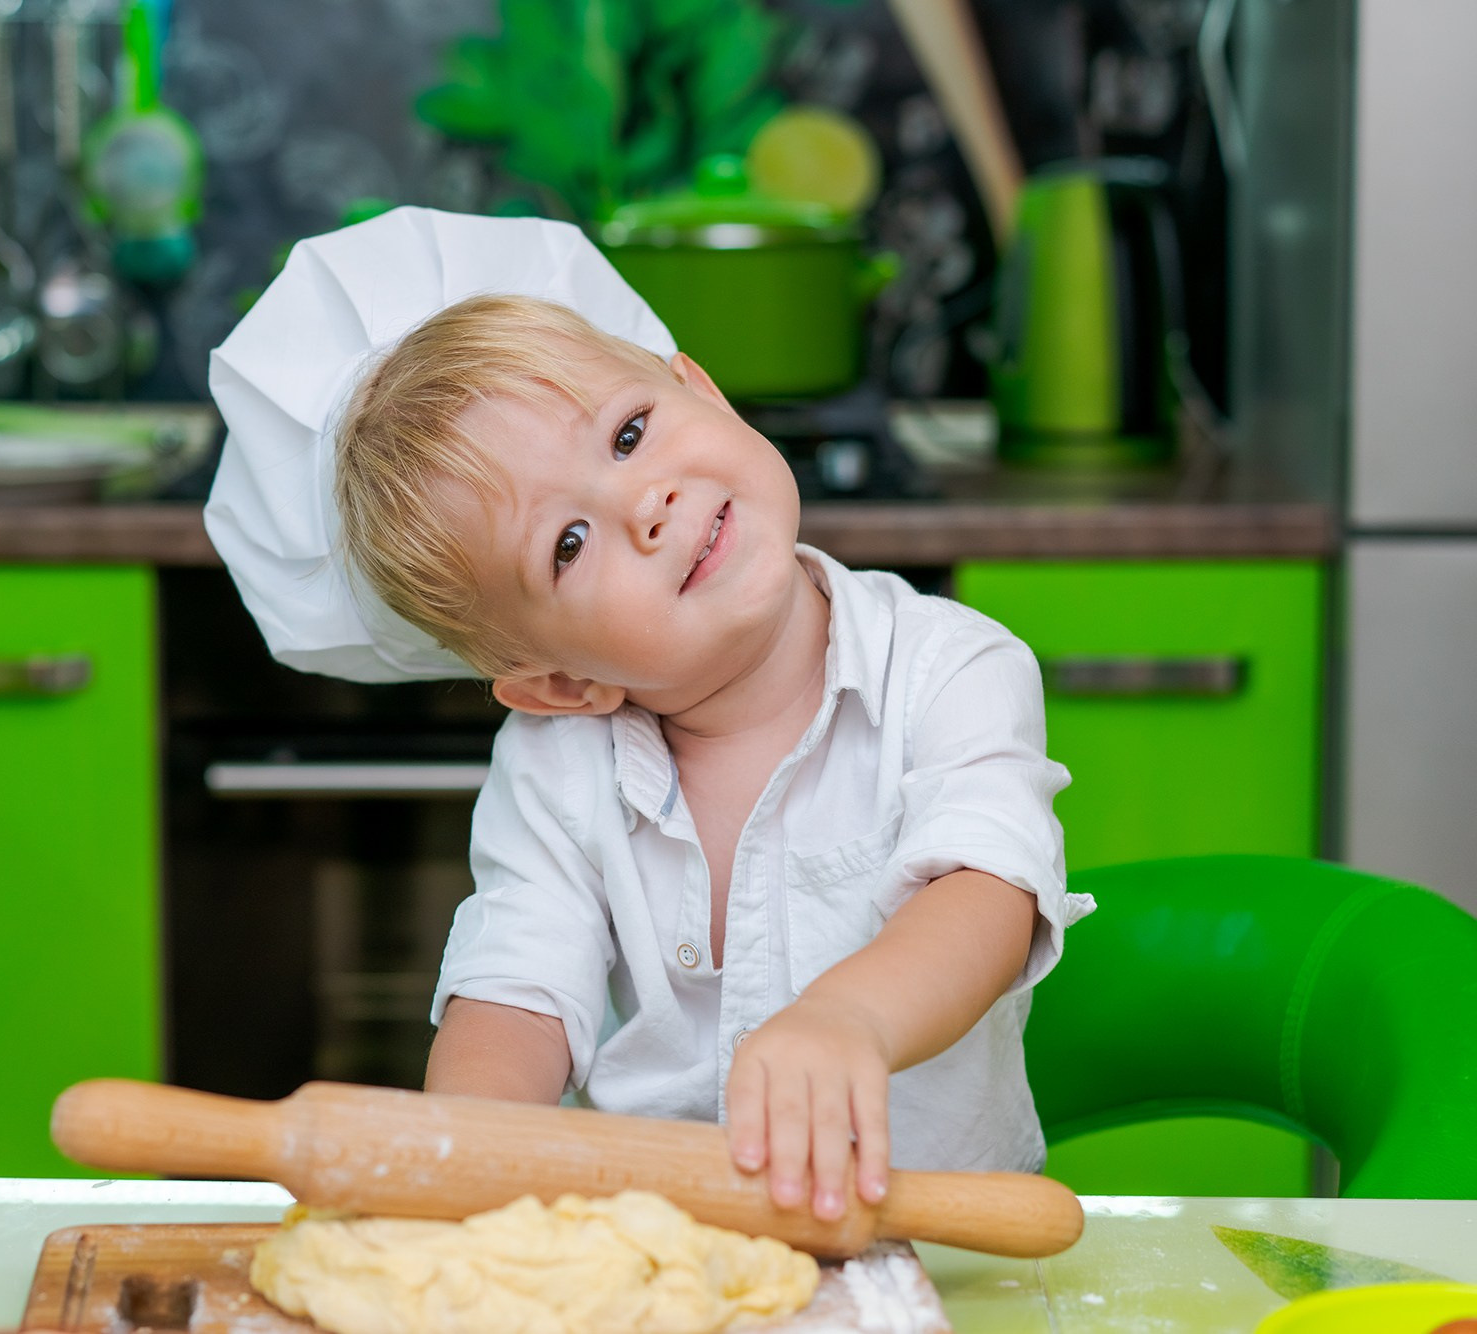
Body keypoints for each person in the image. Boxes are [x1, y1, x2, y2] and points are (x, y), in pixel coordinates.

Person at [206, 207, 1093, 1225]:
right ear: (556, 683)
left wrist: (848, 1017)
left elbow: (984, 895)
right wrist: (465, 1139)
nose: (646, 504)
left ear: (698, 388)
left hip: (938, 1248)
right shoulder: (555, 762)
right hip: (659, 1260)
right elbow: (517, 996)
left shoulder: (947, 666)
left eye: (629, 433)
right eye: (569, 542)